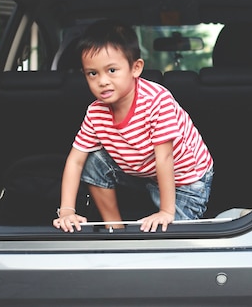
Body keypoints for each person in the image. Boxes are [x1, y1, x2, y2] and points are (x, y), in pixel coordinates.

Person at [53, 19, 214, 233]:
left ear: (136, 68)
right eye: (93, 73)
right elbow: (75, 160)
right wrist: (66, 211)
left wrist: (166, 212)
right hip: (146, 170)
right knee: (94, 161)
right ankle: (115, 229)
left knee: (174, 239)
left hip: (185, 179)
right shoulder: (95, 112)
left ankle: (228, 217)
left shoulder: (157, 100)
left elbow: (165, 158)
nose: (102, 81)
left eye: (111, 70)